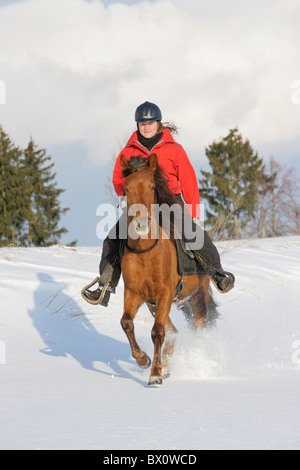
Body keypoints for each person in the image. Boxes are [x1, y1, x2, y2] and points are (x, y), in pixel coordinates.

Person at [82, 101, 235, 306]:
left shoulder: (174, 149)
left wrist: (193, 206)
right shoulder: (127, 152)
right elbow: (119, 177)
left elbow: (187, 177)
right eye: (142, 124)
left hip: (170, 201)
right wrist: (126, 194)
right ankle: (105, 285)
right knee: (113, 237)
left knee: (191, 231)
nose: (146, 127)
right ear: (137, 125)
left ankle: (218, 274)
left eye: (150, 123)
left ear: (158, 124)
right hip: (139, 204)